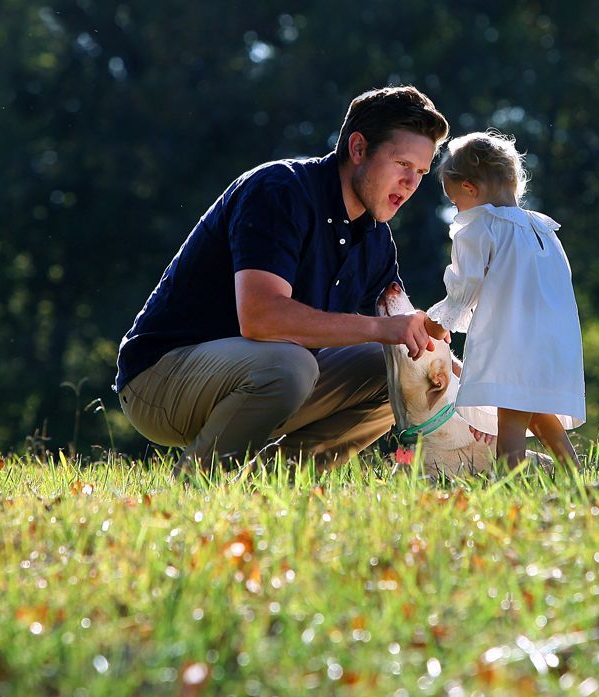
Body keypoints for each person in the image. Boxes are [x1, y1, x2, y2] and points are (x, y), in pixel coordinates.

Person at [114, 86, 449, 472]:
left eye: (421, 172)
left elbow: (404, 335)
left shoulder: (376, 239)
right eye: (402, 164)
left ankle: (274, 486)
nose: (411, 183)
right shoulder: (280, 189)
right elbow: (261, 319)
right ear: (358, 149)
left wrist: (455, 370)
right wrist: (379, 327)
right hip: (161, 379)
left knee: (394, 366)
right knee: (291, 365)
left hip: (266, 379)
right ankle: (197, 484)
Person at [422, 130, 584, 469]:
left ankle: (509, 484)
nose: (457, 211)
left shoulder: (480, 228)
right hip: (555, 342)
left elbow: (464, 288)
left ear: (470, 188)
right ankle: (575, 478)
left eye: (455, 203)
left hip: (514, 341)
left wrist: (436, 325)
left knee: (510, 418)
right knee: (538, 412)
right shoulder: (543, 230)